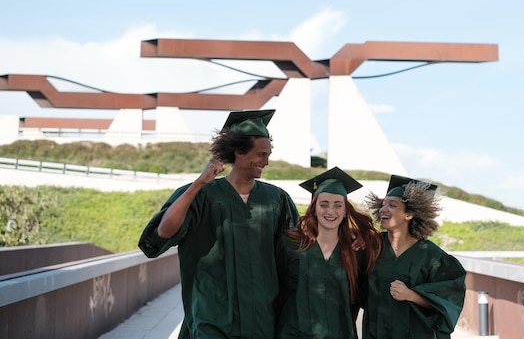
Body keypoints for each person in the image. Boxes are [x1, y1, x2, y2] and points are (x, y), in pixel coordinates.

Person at [138, 109, 299, 339]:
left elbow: (296, 253)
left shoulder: (277, 200)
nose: (267, 161)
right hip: (212, 318)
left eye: (268, 154)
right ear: (239, 152)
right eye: (261, 154)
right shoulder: (202, 196)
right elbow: (164, 231)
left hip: (261, 320)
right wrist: (199, 183)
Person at [275, 166, 381, 339]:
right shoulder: (291, 245)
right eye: (324, 204)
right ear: (314, 207)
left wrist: (364, 234)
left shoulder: (357, 250)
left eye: (338, 205)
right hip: (293, 334)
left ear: (345, 210)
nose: (330, 211)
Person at [361, 175, 466, 339]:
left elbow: (448, 300)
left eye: (392, 205)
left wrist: (411, 295)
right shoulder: (372, 247)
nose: (383, 209)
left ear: (409, 214)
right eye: (383, 205)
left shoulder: (433, 256)